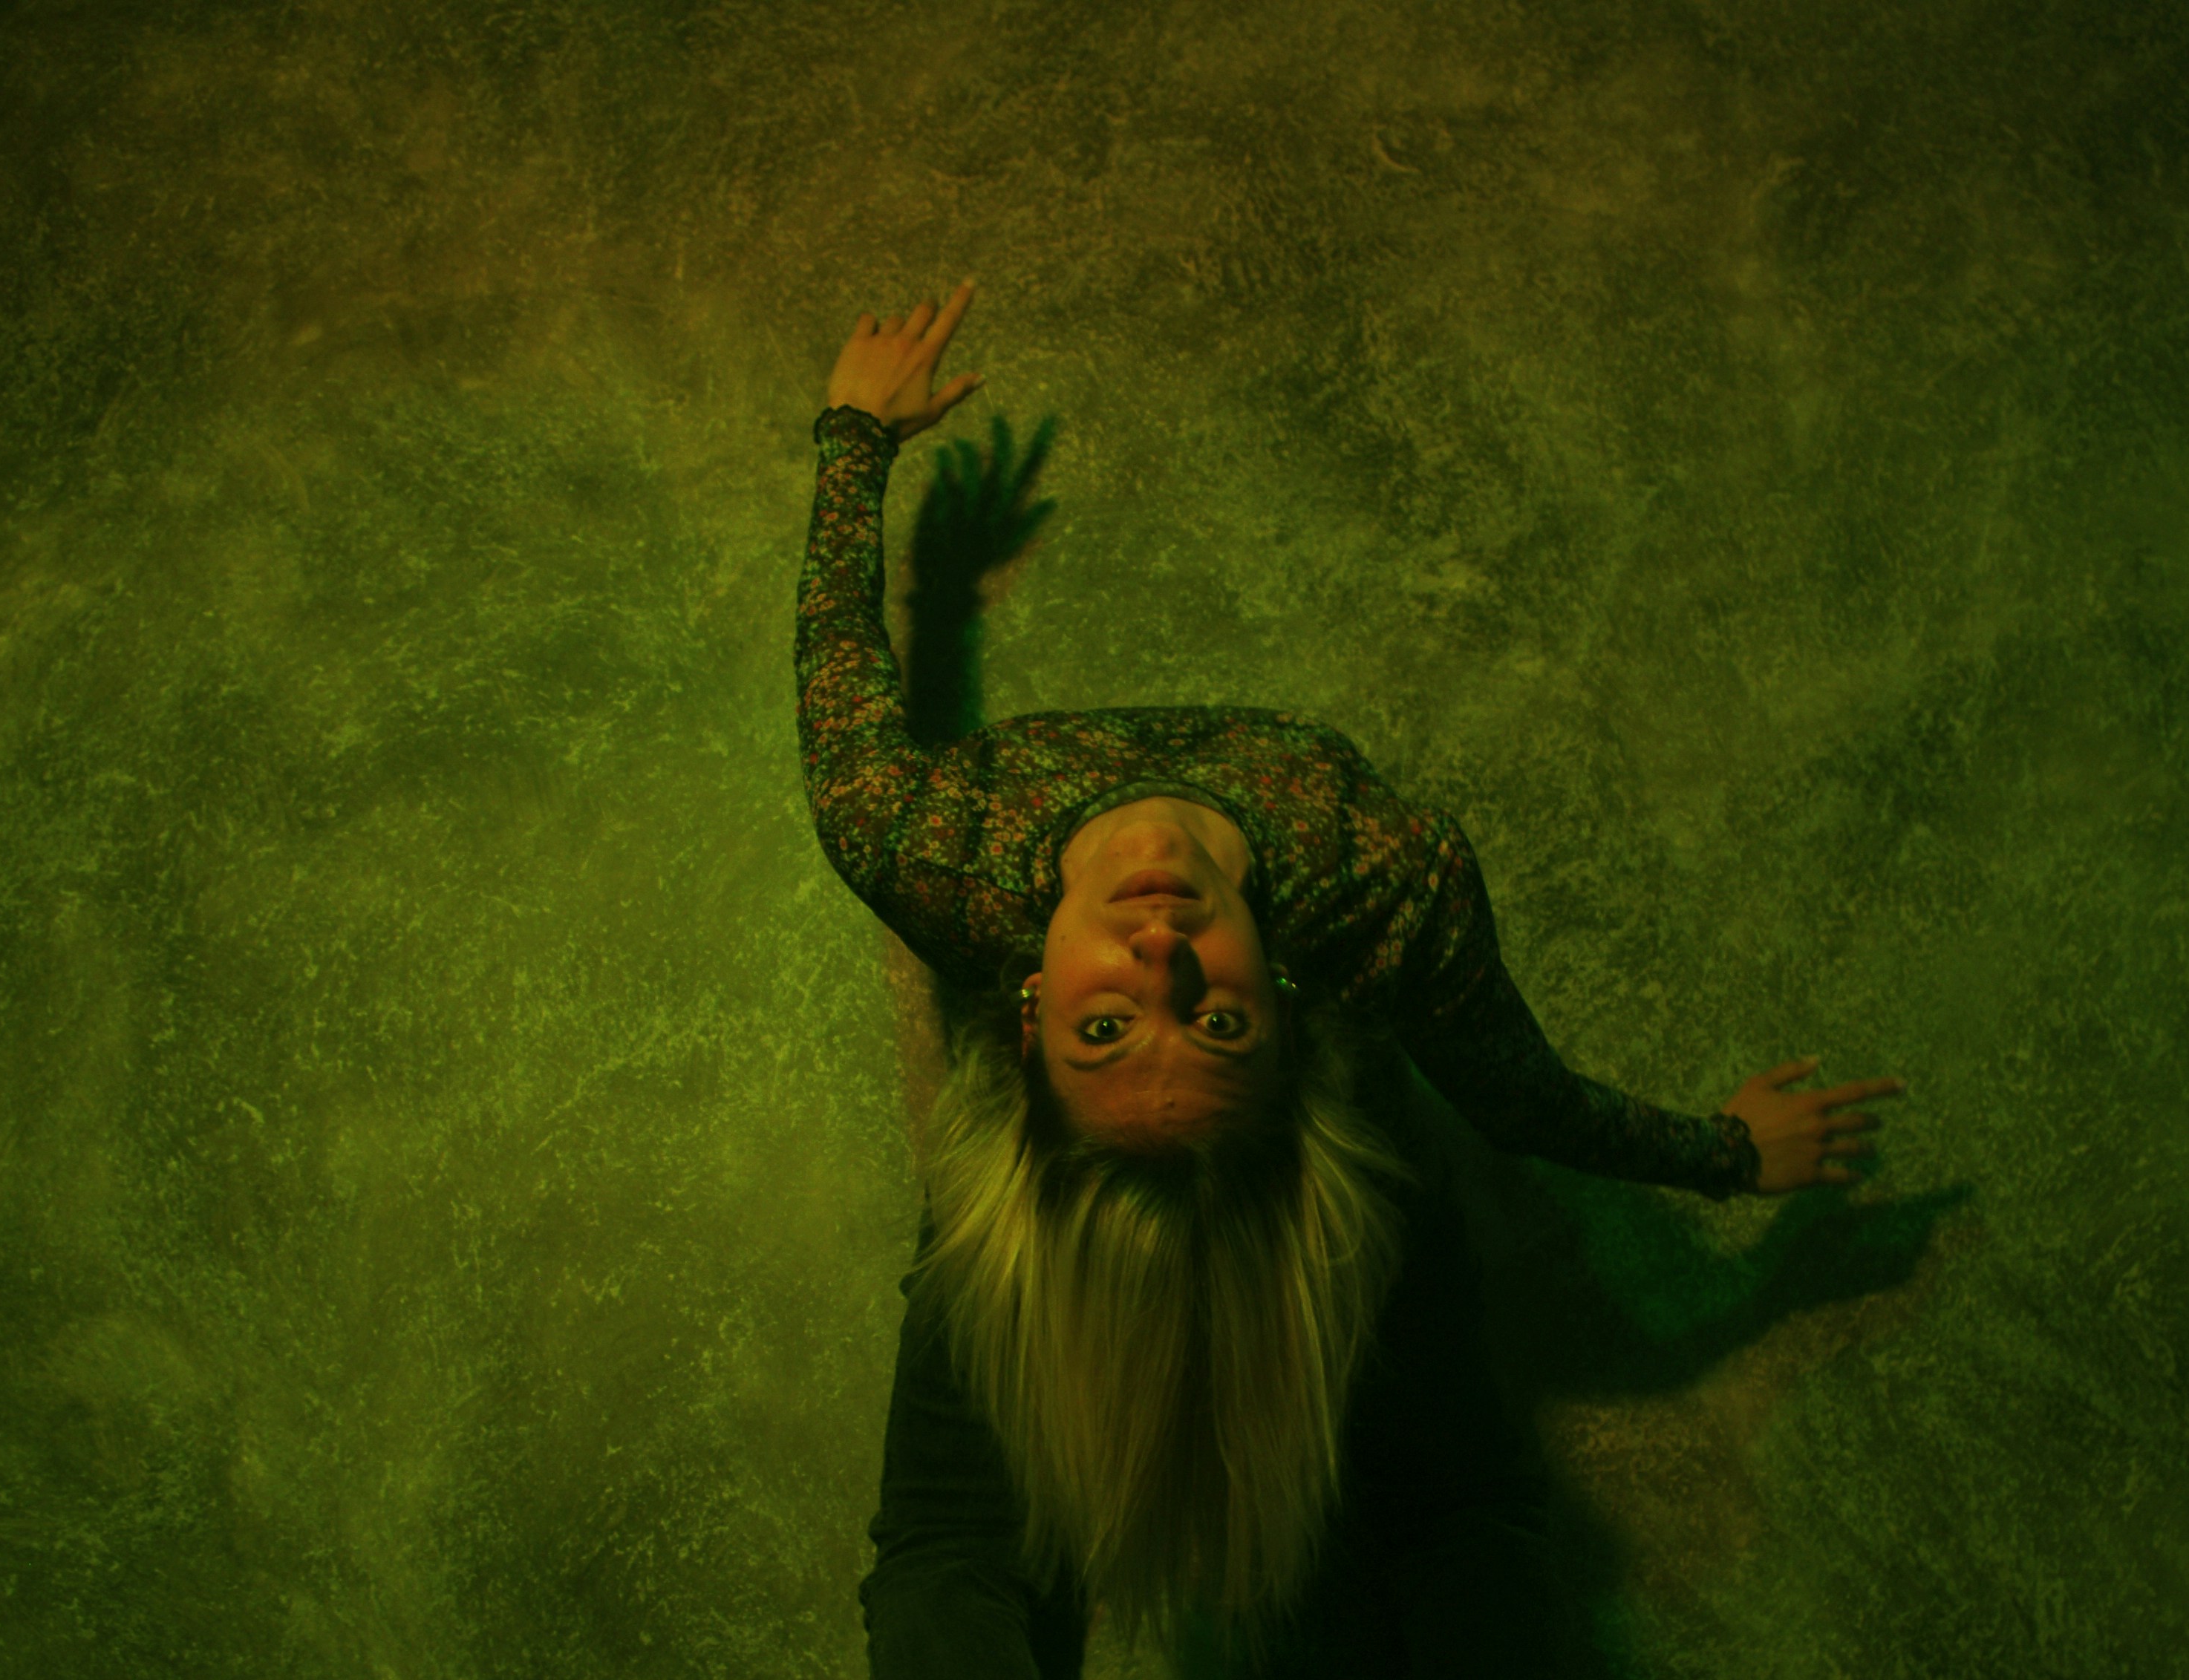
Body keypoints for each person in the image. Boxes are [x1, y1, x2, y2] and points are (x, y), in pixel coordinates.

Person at [802, 280, 1907, 1677]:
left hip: (1185, 1197)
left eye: (1108, 1024)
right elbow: (1516, 1100)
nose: (1155, 950)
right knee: (1410, 1430)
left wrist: (854, 435)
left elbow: (850, 667)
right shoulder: (1377, 894)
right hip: (1316, 1181)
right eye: (1205, 1016)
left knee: (1030, 1365)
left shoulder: (926, 847)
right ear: (1288, 1015)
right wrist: (1727, 1155)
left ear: (1029, 1023)